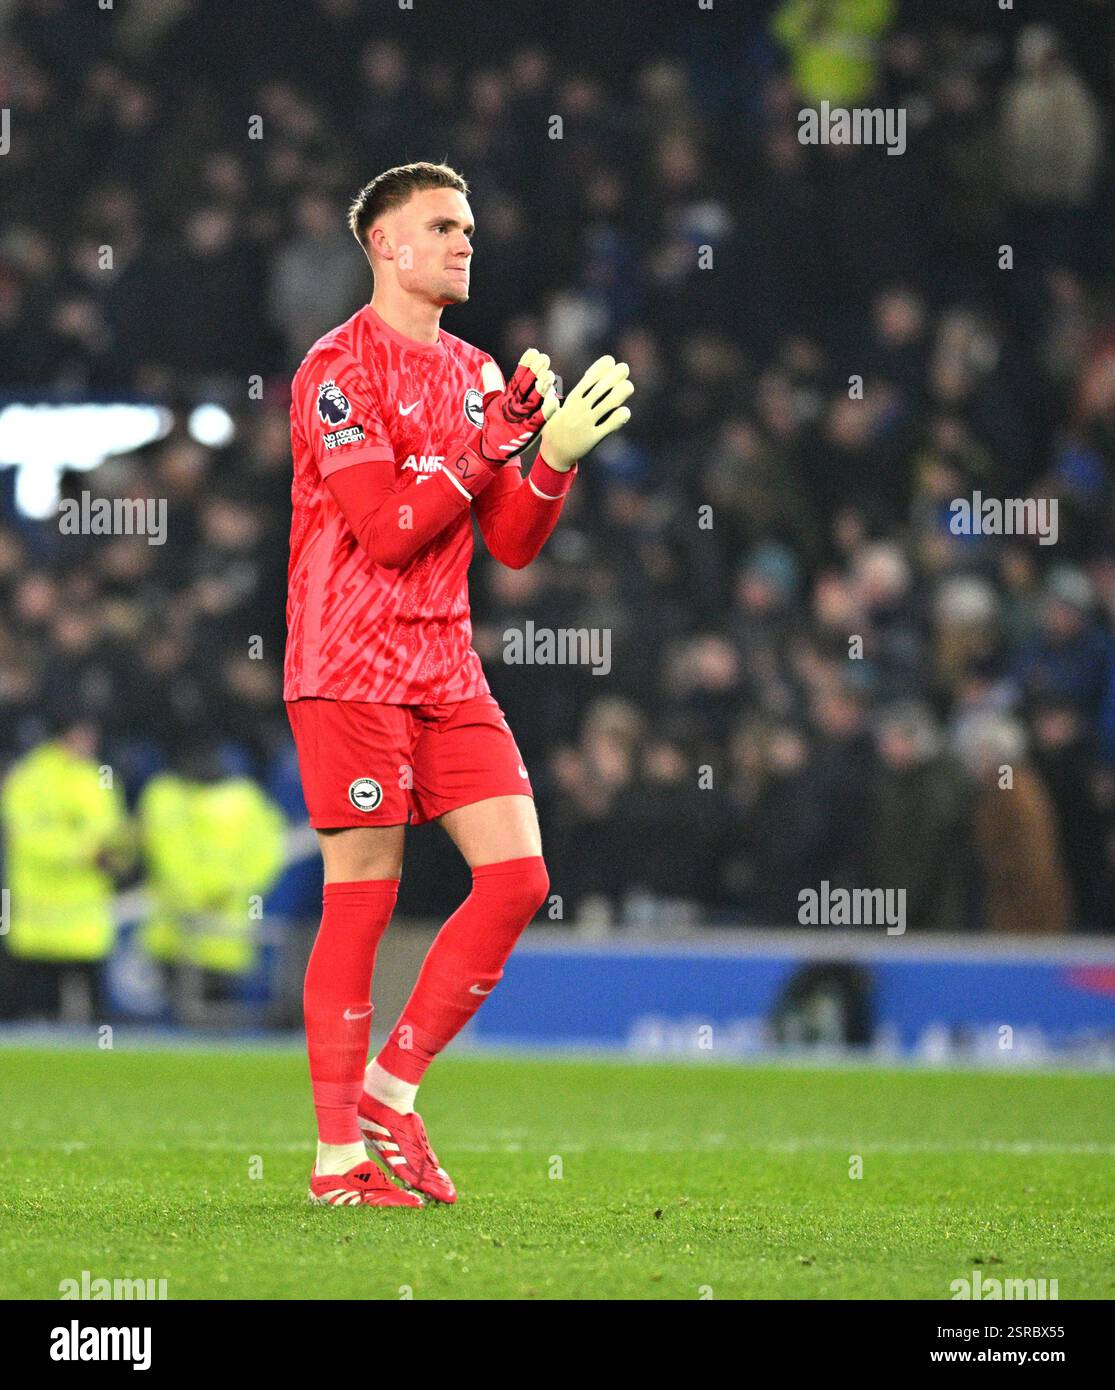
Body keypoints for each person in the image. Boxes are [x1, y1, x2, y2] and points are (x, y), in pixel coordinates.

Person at [284, 161, 634, 1208]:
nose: (462, 242)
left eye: (469, 227)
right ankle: (335, 1158)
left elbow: (513, 546)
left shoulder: (482, 373)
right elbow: (386, 532)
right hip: (347, 664)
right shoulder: (335, 372)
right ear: (384, 244)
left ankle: (392, 1089)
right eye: (441, 226)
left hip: (444, 665)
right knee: (361, 903)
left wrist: (553, 458)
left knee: (519, 877)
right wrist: (482, 449)